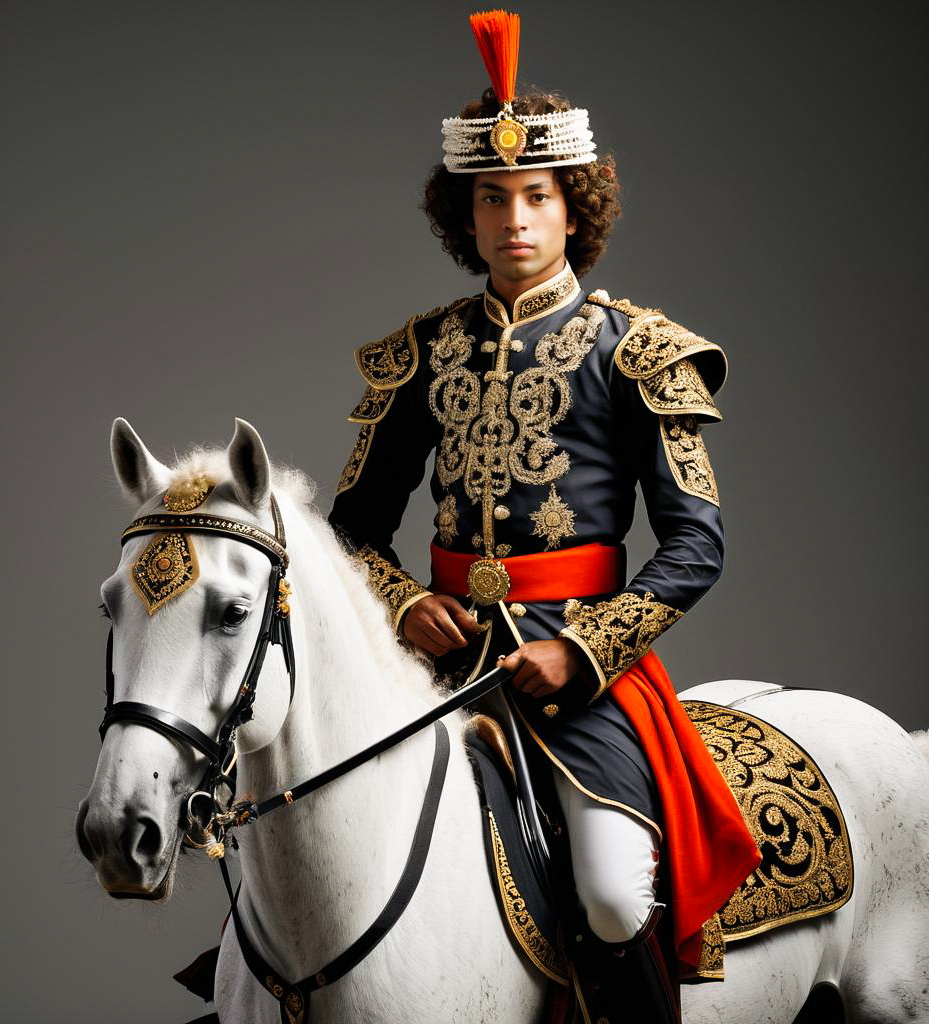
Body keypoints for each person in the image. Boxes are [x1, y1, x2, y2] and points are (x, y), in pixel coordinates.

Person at [329, 11, 759, 1022]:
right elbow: (351, 527)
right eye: (492, 200)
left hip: (581, 675)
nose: (514, 219)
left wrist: (582, 650)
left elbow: (695, 541)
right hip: (429, 665)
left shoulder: (637, 349)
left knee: (612, 892)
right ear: (463, 218)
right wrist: (398, 602)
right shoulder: (419, 353)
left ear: (576, 208)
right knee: (311, 833)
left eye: (536, 195)